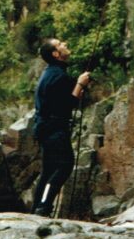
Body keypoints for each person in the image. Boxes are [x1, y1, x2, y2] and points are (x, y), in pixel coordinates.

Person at [30, 38, 92, 217]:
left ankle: (38, 207)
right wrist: (80, 84)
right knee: (64, 165)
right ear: (56, 54)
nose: (65, 44)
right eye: (60, 45)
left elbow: (64, 100)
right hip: (54, 128)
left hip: (45, 127)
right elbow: (67, 105)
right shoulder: (58, 75)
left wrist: (78, 86)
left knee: (49, 169)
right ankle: (44, 206)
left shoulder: (51, 73)